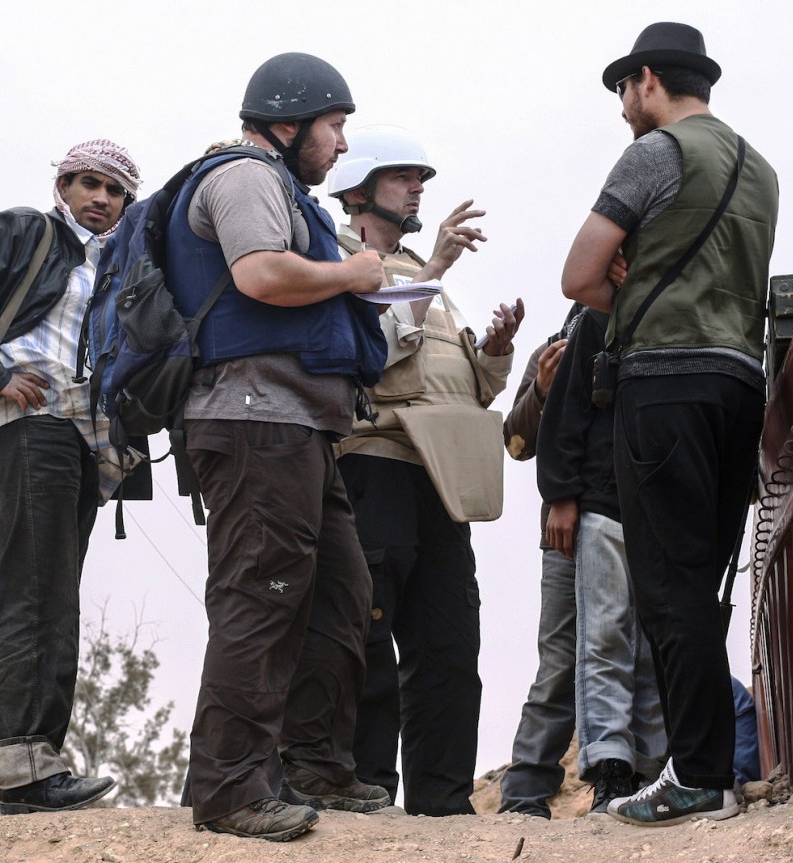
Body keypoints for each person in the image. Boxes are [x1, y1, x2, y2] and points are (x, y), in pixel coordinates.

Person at [561, 22, 778, 826]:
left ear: (646, 80)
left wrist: (635, 288)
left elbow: (578, 275)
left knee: (666, 581)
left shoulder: (655, 153)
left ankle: (697, 773)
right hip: (740, 385)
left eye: (626, 91)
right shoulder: (762, 170)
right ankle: (710, 766)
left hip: (664, 384)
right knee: (706, 579)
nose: (625, 107)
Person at [171, 53, 392, 843]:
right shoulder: (243, 178)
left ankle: (314, 765)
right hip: (252, 417)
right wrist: (357, 273)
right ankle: (229, 788)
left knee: (340, 589)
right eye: (334, 126)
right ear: (289, 121)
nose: (339, 145)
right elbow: (261, 274)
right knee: (259, 591)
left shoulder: (283, 185)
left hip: (297, 422)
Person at [0, 140, 143, 814]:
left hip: (85, 437)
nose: (101, 199)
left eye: (115, 191)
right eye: (89, 184)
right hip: (27, 424)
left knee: (29, 588)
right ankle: (30, 763)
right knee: (41, 594)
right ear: (64, 187)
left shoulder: (117, 265)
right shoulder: (27, 230)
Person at [326, 125, 522, 816]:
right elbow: (367, 358)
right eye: (403, 175)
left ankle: (444, 801)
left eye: (421, 178)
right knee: (368, 634)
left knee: (447, 643)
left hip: (442, 473)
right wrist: (433, 266)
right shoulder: (336, 256)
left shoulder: (425, 277)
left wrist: (493, 354)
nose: (418, 188)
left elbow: (465, 383)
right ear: (358, 192)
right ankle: (368, 788)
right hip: (373, 462)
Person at [536, 308, 666, 814]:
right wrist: (563, 496)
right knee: (604, 636)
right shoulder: (596, 320)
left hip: (662, 506)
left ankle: (650, 773)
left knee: (657, 646)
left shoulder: (682, 312)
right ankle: (610, 774)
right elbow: (564, 413)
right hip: (603, 500)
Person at [497, 314, 575, 818]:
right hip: (564, 535)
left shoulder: (648, 331)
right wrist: (543, 389)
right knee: (560, 662)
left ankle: (641, 778)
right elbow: (515, 444)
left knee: (646, 656)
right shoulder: (553, 349)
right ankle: (524, 795)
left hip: (636, 523)